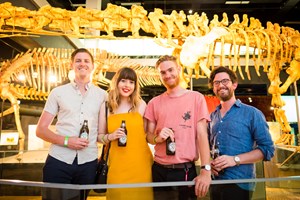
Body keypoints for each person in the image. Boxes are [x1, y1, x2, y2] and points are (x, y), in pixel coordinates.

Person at [36, 48, 107, 200]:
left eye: (86, 61)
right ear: (71, 65)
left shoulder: (103, 95)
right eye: (78, 60)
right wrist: (67, 141)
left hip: (88, 164)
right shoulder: (57, 92)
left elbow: (102, 132)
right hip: (58, 161)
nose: (82, 64)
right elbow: (41, 130)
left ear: (93, 66)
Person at [144, 55, 212, 200]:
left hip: (185, 170)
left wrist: (206, 170)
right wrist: (158, 138)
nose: (167, 75)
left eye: (170, 70)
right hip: (159, 170)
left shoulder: (196, 98)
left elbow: (202, 136)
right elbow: (149, 137)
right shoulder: (154, 103)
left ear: (179, 69)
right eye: (163, 72)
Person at [208, 66, 275, 200]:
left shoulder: (252, 113)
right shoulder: (212, 117)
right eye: (216, 83)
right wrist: (210, 163)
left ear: (234, 84)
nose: (221, 85)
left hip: (240, 183)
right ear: (213, 88)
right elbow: (209, 148)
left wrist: (235, 160)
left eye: (225, 81)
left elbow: (268, 149)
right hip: (215, 181)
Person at [97, 67, 153, 200]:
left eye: (131, 82)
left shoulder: (141, 105)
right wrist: (110, 136)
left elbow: (146, 135)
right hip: (116, 166)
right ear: (116, 82)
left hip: (141, 166)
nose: (127, 85)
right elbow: (99, 136)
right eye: (123, 81)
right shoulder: (106, 106)